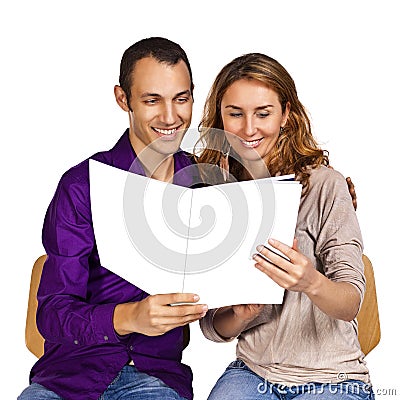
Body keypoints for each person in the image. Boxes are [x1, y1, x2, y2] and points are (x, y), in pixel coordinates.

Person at [18, 37, 208, 400]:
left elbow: (271, 198)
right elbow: (52, 314)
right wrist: (129, 318)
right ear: (123, 99)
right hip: (67, 378)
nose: (170, 117)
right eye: (152, 100)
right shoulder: (82, 185)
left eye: (181, 99)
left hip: (155, 379)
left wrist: (326, 184)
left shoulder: (207, 184)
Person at [197, 53, 374, 399]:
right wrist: (240, 314)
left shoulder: (326, 186)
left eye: (263, 113)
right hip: (252, 370)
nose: (249, 129)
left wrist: (310, 282)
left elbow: (351, 301)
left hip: (331, 377)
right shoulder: (215, 194)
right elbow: (212, 326)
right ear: (220, 116)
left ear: (285, 115)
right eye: (235, 114)